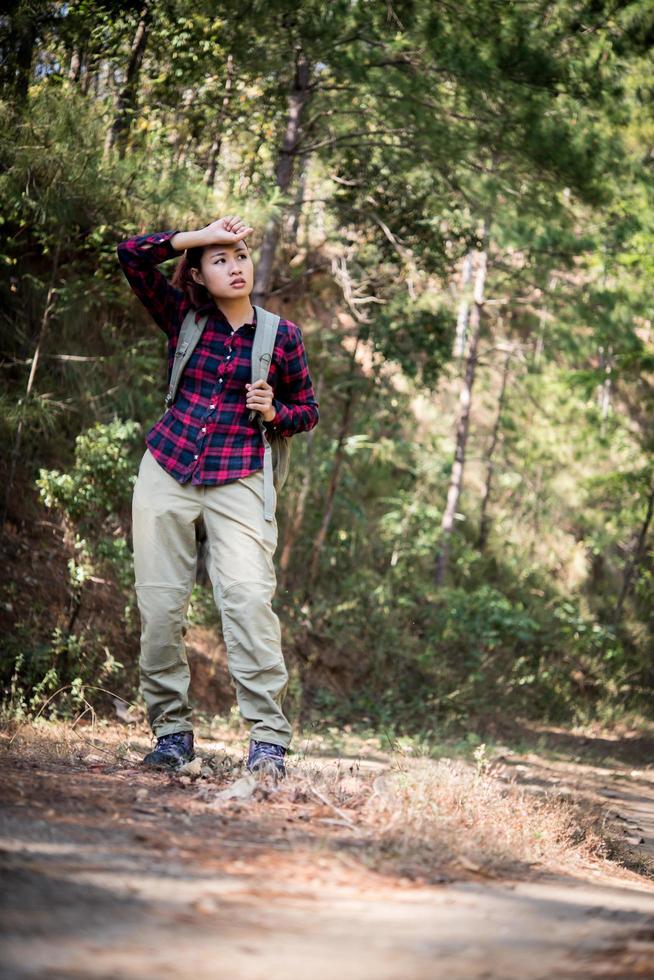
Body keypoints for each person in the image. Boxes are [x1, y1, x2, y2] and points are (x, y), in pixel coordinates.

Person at [116, 215, 319, 777]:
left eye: (240, 255)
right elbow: (131, 255)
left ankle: (269, 742)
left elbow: (309, 410)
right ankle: (172, 734)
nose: (235, 266)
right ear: (200, 275)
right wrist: (195, 235)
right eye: (219, 258)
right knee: (160, 608)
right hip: (168, 468)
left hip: (240, 478)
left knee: (249, 602)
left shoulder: (282, 336)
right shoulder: (184, 316)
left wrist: (276, 411)